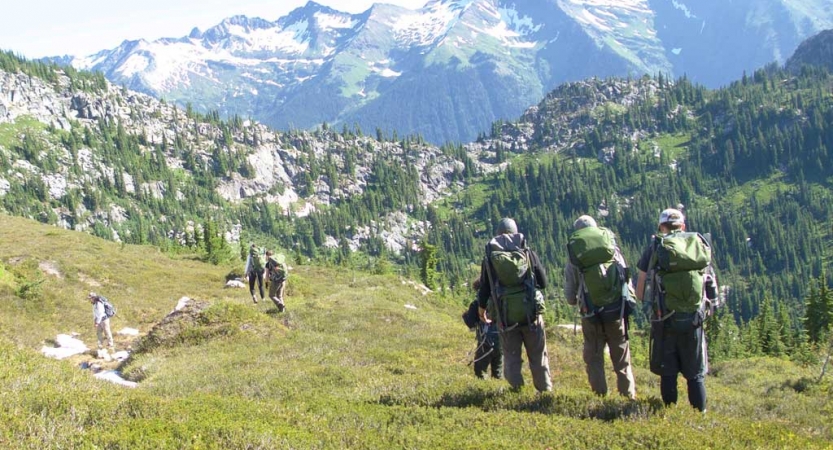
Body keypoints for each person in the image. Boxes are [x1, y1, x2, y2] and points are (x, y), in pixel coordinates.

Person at [636, 208, 709, 412]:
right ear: (683, 226)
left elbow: (642, 278)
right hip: (694, 319)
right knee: (695, 373)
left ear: (661, 226)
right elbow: (709, 280)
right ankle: (700, 413)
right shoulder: (697, 244)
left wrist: (642, 302)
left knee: (668, 372)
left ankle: (669, 413)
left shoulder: (657, 246)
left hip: (664, 319)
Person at [564, 215, 636, 399]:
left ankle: (600, 396)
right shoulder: (611, 248)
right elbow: (625, 278)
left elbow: (570, 295)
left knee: (594, 358)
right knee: (621, 357)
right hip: (615, 311)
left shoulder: (576, 253)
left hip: (591, 313)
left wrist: (577, 299)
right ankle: (628, 396)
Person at [476, 217, 552, 392]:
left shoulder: (491, 257)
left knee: (511, 359)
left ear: (498, 234)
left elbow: (485, 288)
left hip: (505, 317)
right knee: (538, 357)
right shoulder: (527, 251)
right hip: (531, 315)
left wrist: (482, 311)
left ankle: (518, 395)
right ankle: (545, 395)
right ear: (516, 232)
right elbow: (543, 282)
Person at [464, 278, 503, 379]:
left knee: (480, 371)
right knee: (498, 370)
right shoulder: (501, 300)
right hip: (502, 342)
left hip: (484, 343)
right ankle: (497, 390)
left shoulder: (476, 303)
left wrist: (465, 315)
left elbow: (471, 323)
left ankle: (482, 391)